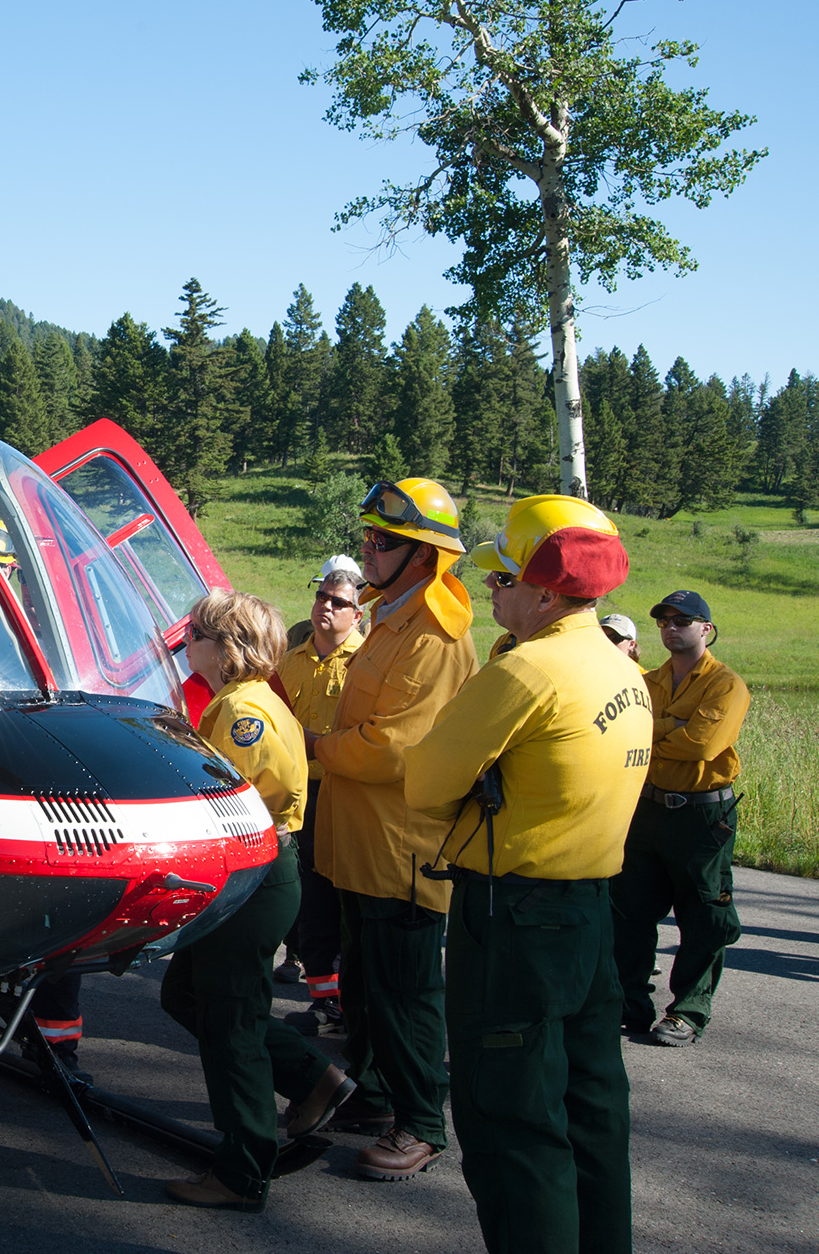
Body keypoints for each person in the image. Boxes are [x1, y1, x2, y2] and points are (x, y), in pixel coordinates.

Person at [404, 494, 646, 1253]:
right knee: (592, 1114)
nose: (492, 594)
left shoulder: (530, 669)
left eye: (503, 580)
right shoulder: (622, 669)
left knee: (513, 1122)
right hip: (589, 913)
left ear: (545, 590)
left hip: (513, 920)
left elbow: (424, 780)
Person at [306, 477, 476, 1180]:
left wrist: (313, 747)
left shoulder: (434, 635)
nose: (367, 551)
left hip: (402, 848)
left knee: (407, 993)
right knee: (367, 984)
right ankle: (376, 1094)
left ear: (424, 555)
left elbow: (395, 745)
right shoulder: (393, 615)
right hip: (363, 842)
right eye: (370, 537)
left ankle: (422, 1122)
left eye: (383, 541)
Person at [162, 591, 355, 1212]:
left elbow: (215, 809)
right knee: (188, 996)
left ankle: (243, 1172)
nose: (186, 640)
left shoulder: (244, 712)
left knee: (231, 1022)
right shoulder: (236, 702)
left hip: (249, 872)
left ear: (224, 645)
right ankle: (312, 1076)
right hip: (252, 870)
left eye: (196, 632)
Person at [613, 589, 750, 1049]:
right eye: (664, 621)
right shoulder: (647, 681)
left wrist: (657, 730)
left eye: (682, 620)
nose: (671, 628)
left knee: (703, 917)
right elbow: (625, 731)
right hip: (647, 807)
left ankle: (688, 1011)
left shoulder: (726, 685)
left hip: (703, 815)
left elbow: (702, 746)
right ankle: (629, 1003)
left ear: (706, 629)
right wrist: (675, 726)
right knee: (629, 912)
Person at [273, 555, 365, 1030]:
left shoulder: (367, 665)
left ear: (357, 613)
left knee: (346, 898)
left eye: (338, 601)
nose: (325, 606)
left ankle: (352, 999)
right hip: (299, 792)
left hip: (346, 791)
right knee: (310, 901)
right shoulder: (289, 660)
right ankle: (324, 999)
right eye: (321, 596)